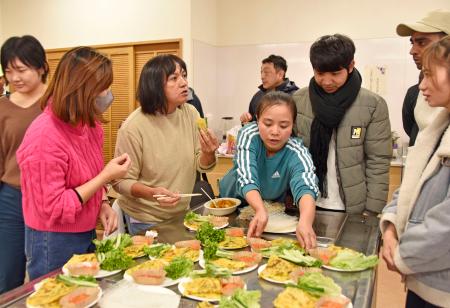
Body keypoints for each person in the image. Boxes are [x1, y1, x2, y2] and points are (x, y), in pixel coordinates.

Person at [16, 46, 131, 279]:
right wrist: (105, 177)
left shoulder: (88, 126)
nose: (108, 93)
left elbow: (88, 178)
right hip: (52, 239)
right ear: (82, 89)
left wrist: (103, 204)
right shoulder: (44, 136)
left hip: (84, 231)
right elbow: (54, 207)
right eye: (103, 87)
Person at [113, 54, 219, 235]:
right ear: (154, 86)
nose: (184, 83)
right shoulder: (134, 127)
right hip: (146, 218)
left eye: (184, 75)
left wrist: (208, 153)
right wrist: (152, 193)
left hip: (181, 214)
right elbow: (120, 181)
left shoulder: (190, 113)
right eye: (174, 78)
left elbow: (199, 162)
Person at [381, 36, 450, 308]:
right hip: (423, 278)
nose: (422, 85)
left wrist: (403, 255)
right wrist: (389, 230)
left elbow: (445, 226)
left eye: (430, 75)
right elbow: (411, 184)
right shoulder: (437, 127)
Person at [293, 34, 392, 214]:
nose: (327, 81)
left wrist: (372, 210)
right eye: (320, 73)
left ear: (351, 66)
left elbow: (378, 162)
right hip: (307, 203)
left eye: (335, 73)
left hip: (353, 207)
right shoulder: (299, 100)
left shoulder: (373, 104)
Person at [220, 91, 319, 248]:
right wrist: (259, 209)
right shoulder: (249, 135)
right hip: (234, 204)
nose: (275, 132)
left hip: (269, 208)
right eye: (267, 124)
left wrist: (305, 222)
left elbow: (306, 185)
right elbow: (247, 177)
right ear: (257, 120)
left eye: (283, 125)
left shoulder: (296, 151)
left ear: (293, 124)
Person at [0, 35, 48, 293]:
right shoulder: (2, 107)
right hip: (11, 197)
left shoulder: (56, 103)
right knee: (8, 272)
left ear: (41, 67)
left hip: (48, 196)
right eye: (8, 71)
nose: (14, 77)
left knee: (47, 268)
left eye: (21, 69)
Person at [397, 9, 450, 146]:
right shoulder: (414, 94)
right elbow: (413, 134)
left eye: (422, 42)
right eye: (412, 43)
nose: (412, 51)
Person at [240, 55, 299, 124]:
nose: (262, 77)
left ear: (280, 74)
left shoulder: (296, 97)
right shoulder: (258, 95)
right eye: (261, 72)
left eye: (266, 72)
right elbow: (252, 123)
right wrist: (247, 119)